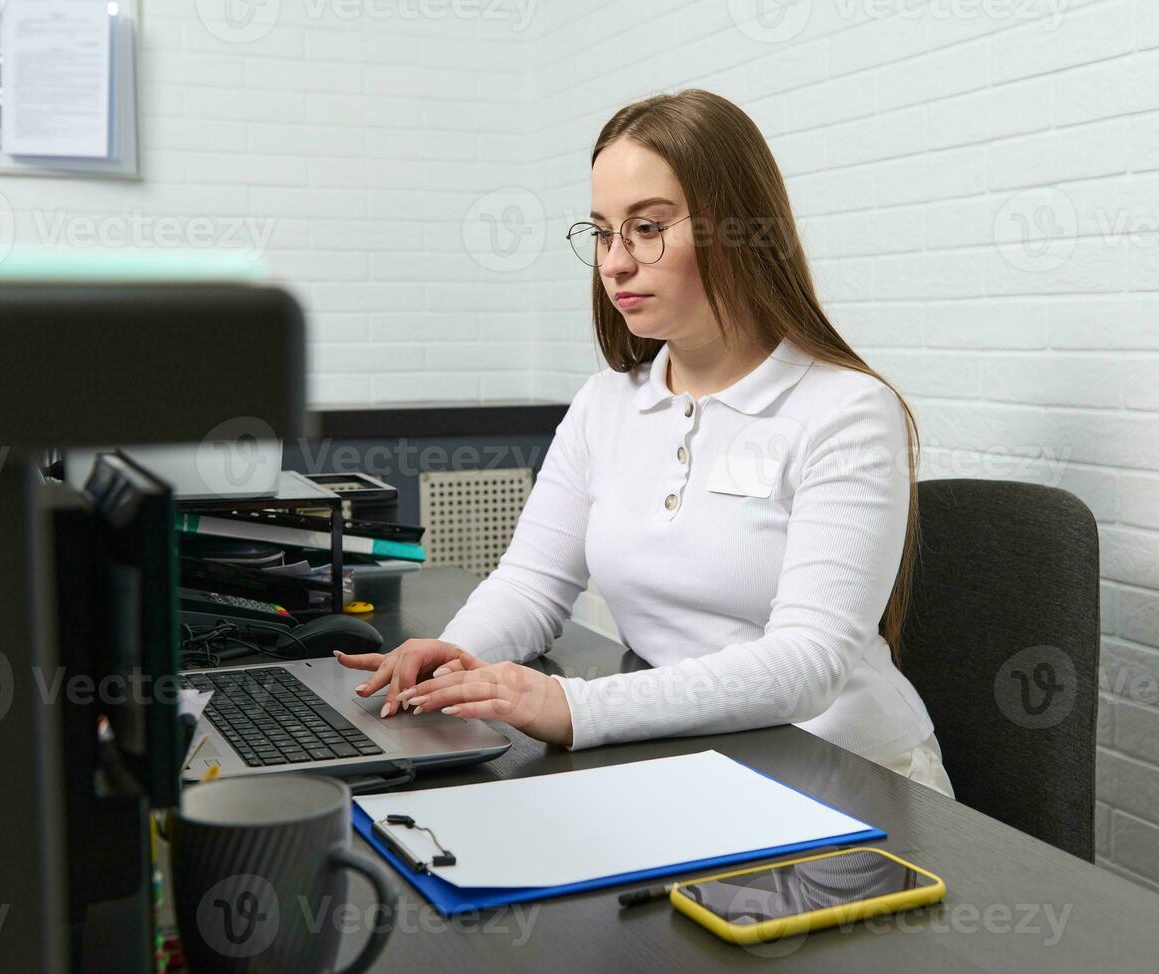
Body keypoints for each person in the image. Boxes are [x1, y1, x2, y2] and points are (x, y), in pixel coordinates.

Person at [336, 89, 954, 798]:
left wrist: (574, 707)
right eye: (601, 233)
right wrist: (461, 656)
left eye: (648, 227)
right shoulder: (608, 402)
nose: (615, 263)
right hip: (698, 758)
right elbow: (533, 582)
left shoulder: (844, 410)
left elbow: (807, 664)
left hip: (846, 770)